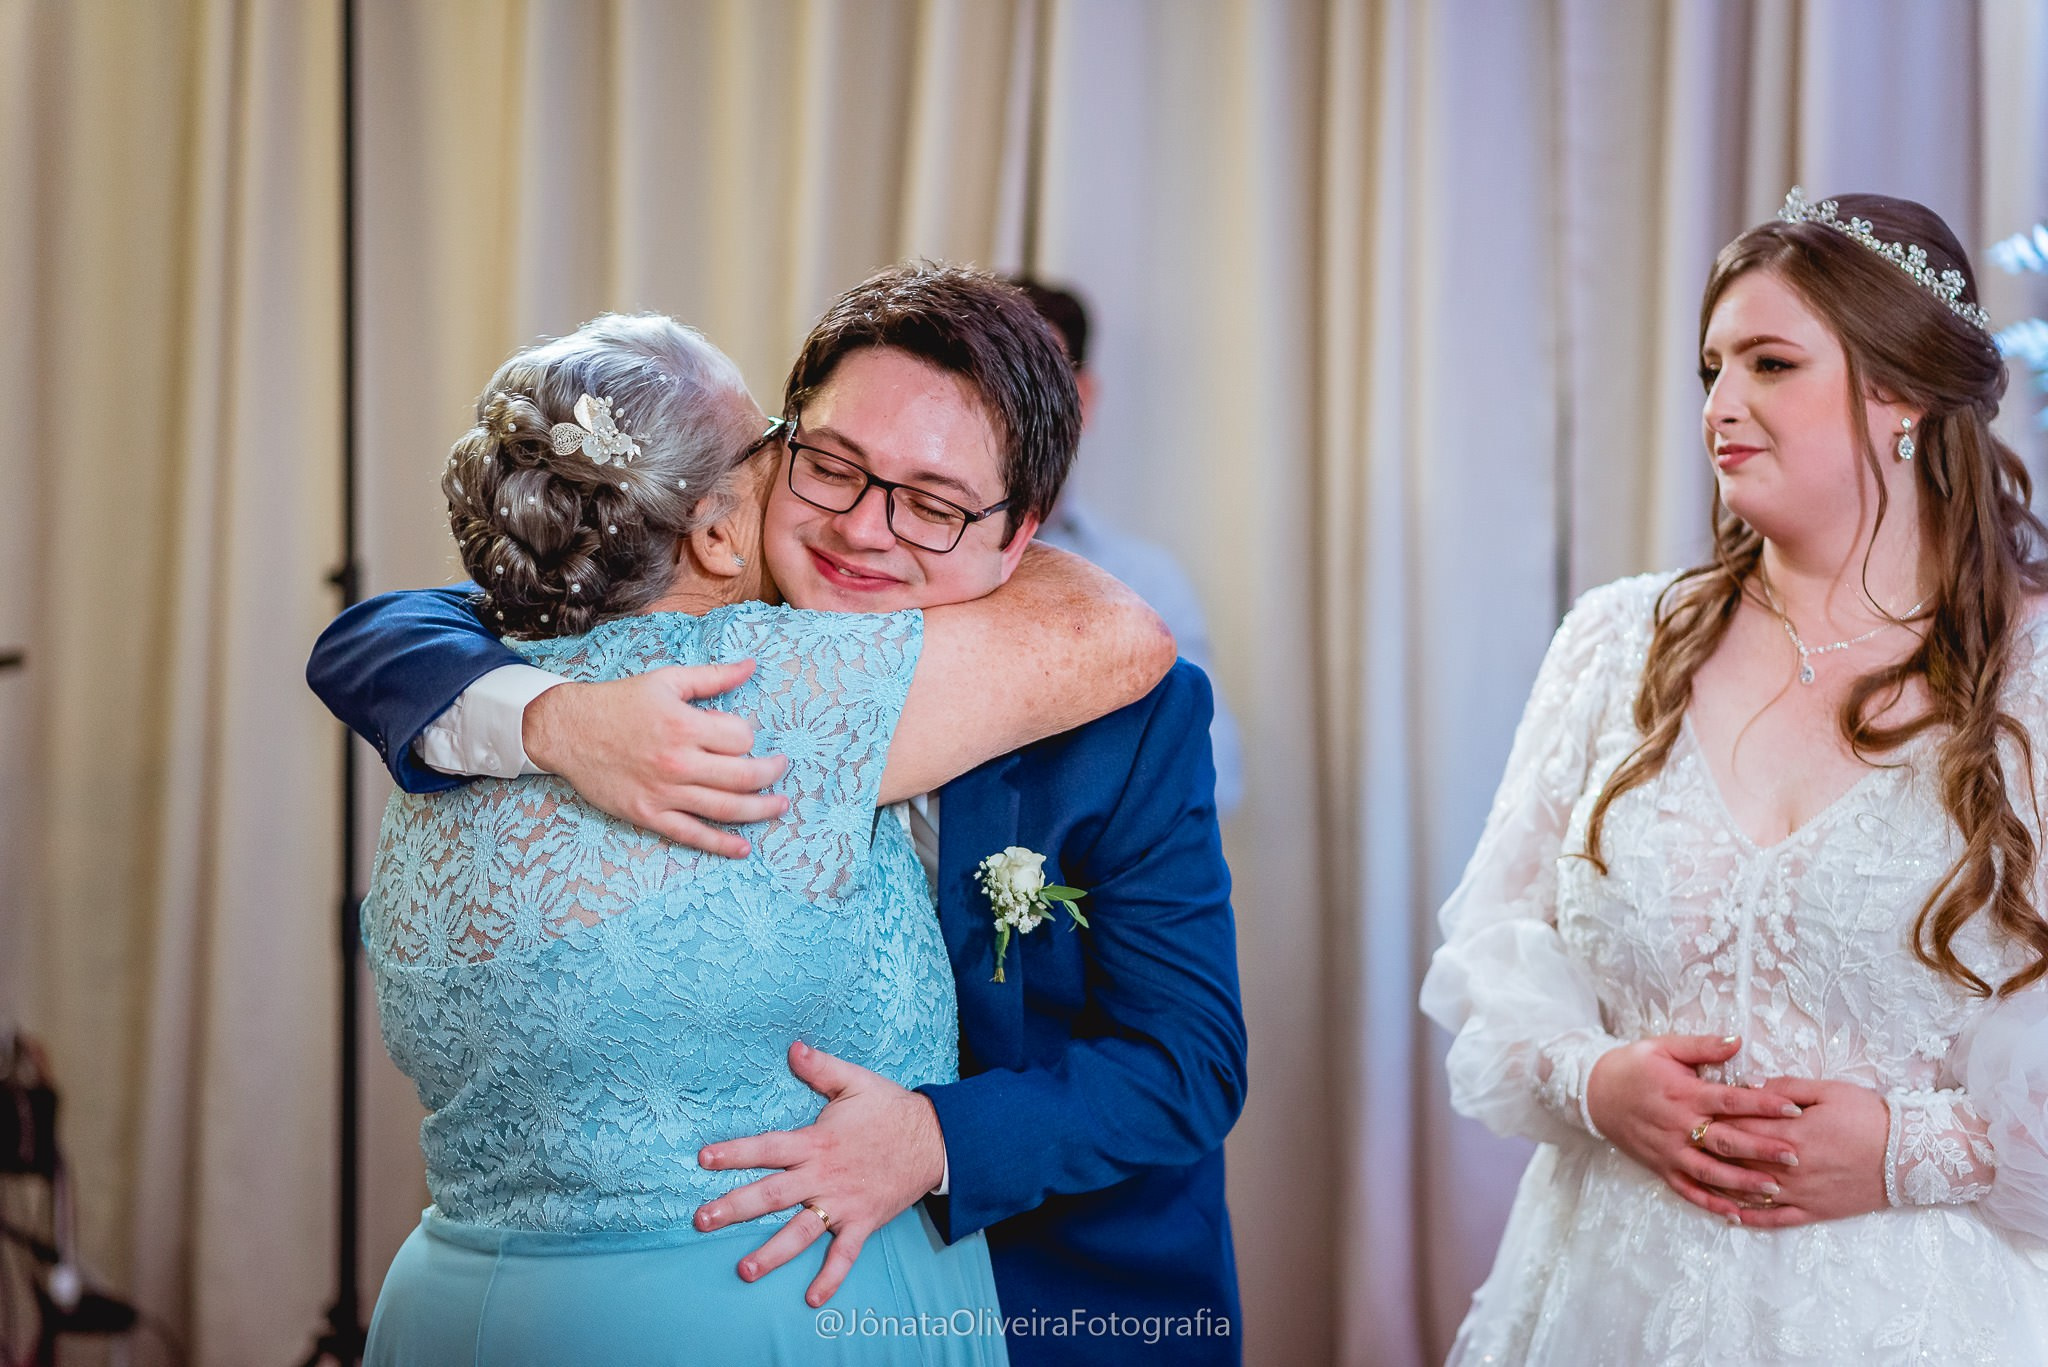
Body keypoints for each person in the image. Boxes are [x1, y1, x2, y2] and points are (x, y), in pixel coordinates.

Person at [309, 265, 1249, 1365]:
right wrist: (552, 720)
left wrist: (936, 1138)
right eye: (833, 466)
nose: (861, 527)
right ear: (770, 457)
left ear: (1021, 535)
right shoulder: (691, 610)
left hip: (1064, 1289)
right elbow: (391, 627)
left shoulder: (1122, 714)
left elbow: (1190, 1059)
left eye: (933, 504)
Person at [1421, 189, 2048, 1365]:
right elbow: (1492, 944)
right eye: (1709, 368)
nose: (1718, 408)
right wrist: (1593, 1077)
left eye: (1768, 363)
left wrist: (1903, 1147)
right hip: (1605, 1291)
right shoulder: (1617, 641)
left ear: (1899, 391)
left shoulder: (2034, 676)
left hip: (1915, 1312)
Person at [1007, 277, 1244, 816]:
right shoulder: (902, 555)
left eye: (1039, 381)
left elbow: (1217, 773)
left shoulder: (1146, 580)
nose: (1013, 408)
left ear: (1083, 399)